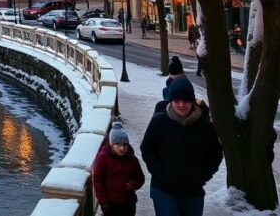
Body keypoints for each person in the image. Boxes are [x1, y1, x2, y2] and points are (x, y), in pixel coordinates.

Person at [141, 79, 222, 216]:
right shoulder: (159, 121)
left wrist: (202, 176)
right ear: (171, 101)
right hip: (163, 189)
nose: (181, 105)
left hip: (193, 190)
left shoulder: (205, 126)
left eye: (185, 101)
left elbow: (215, 154)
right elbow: (147, 149)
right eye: (177, 101)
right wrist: (159, 172)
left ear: (192, 101)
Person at [93, 122, 145, 216]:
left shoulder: (132, 160)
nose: (122, 148)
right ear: (112, 144)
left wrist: (134, 184)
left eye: (125, 144)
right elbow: (98, 181)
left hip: (129, 204)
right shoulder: (103, 158)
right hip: (110, 205)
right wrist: (103, 202)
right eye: (118, 144)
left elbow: (140, 178)